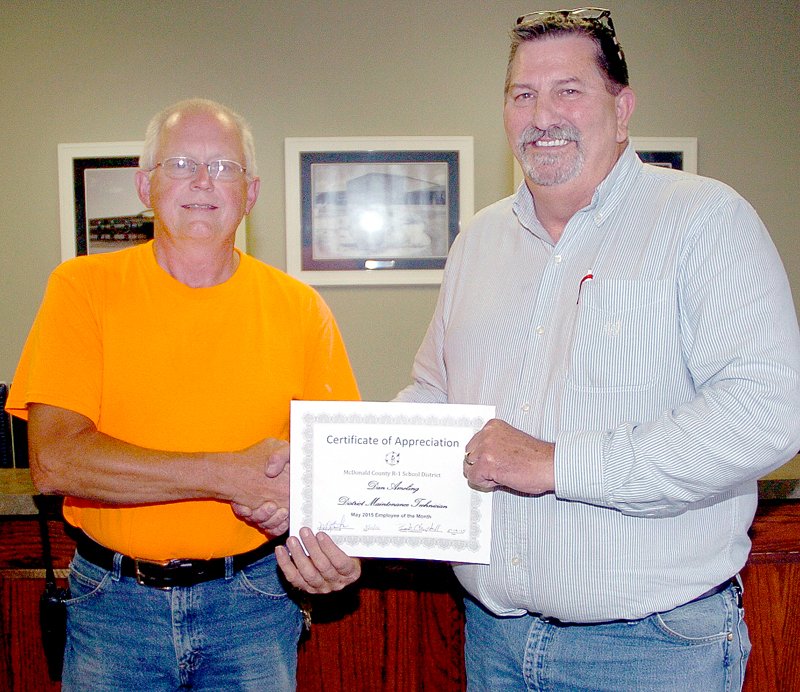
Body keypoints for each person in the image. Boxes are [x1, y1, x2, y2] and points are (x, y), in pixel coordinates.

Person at [395, 9, 800, 691]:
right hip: (495, 642)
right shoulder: (478, 242)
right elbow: (435, 395)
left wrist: (558, 463)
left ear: (622, 107)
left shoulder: (704, 219)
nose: (542, 114)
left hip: (655, 650)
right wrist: (341, 480)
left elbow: (765, 412)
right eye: (523, 95)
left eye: (569, 91)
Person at [6, 98, 361, 691]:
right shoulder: (82, 289)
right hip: (112, 606)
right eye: (181, 165)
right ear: (146, 185)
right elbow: (56, 460)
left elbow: (337, 469)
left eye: (224, 167)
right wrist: (231, 475)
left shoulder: (300, 310)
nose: (203, 183)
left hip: (254, 604)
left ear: (251, 193)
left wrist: (324, 530)